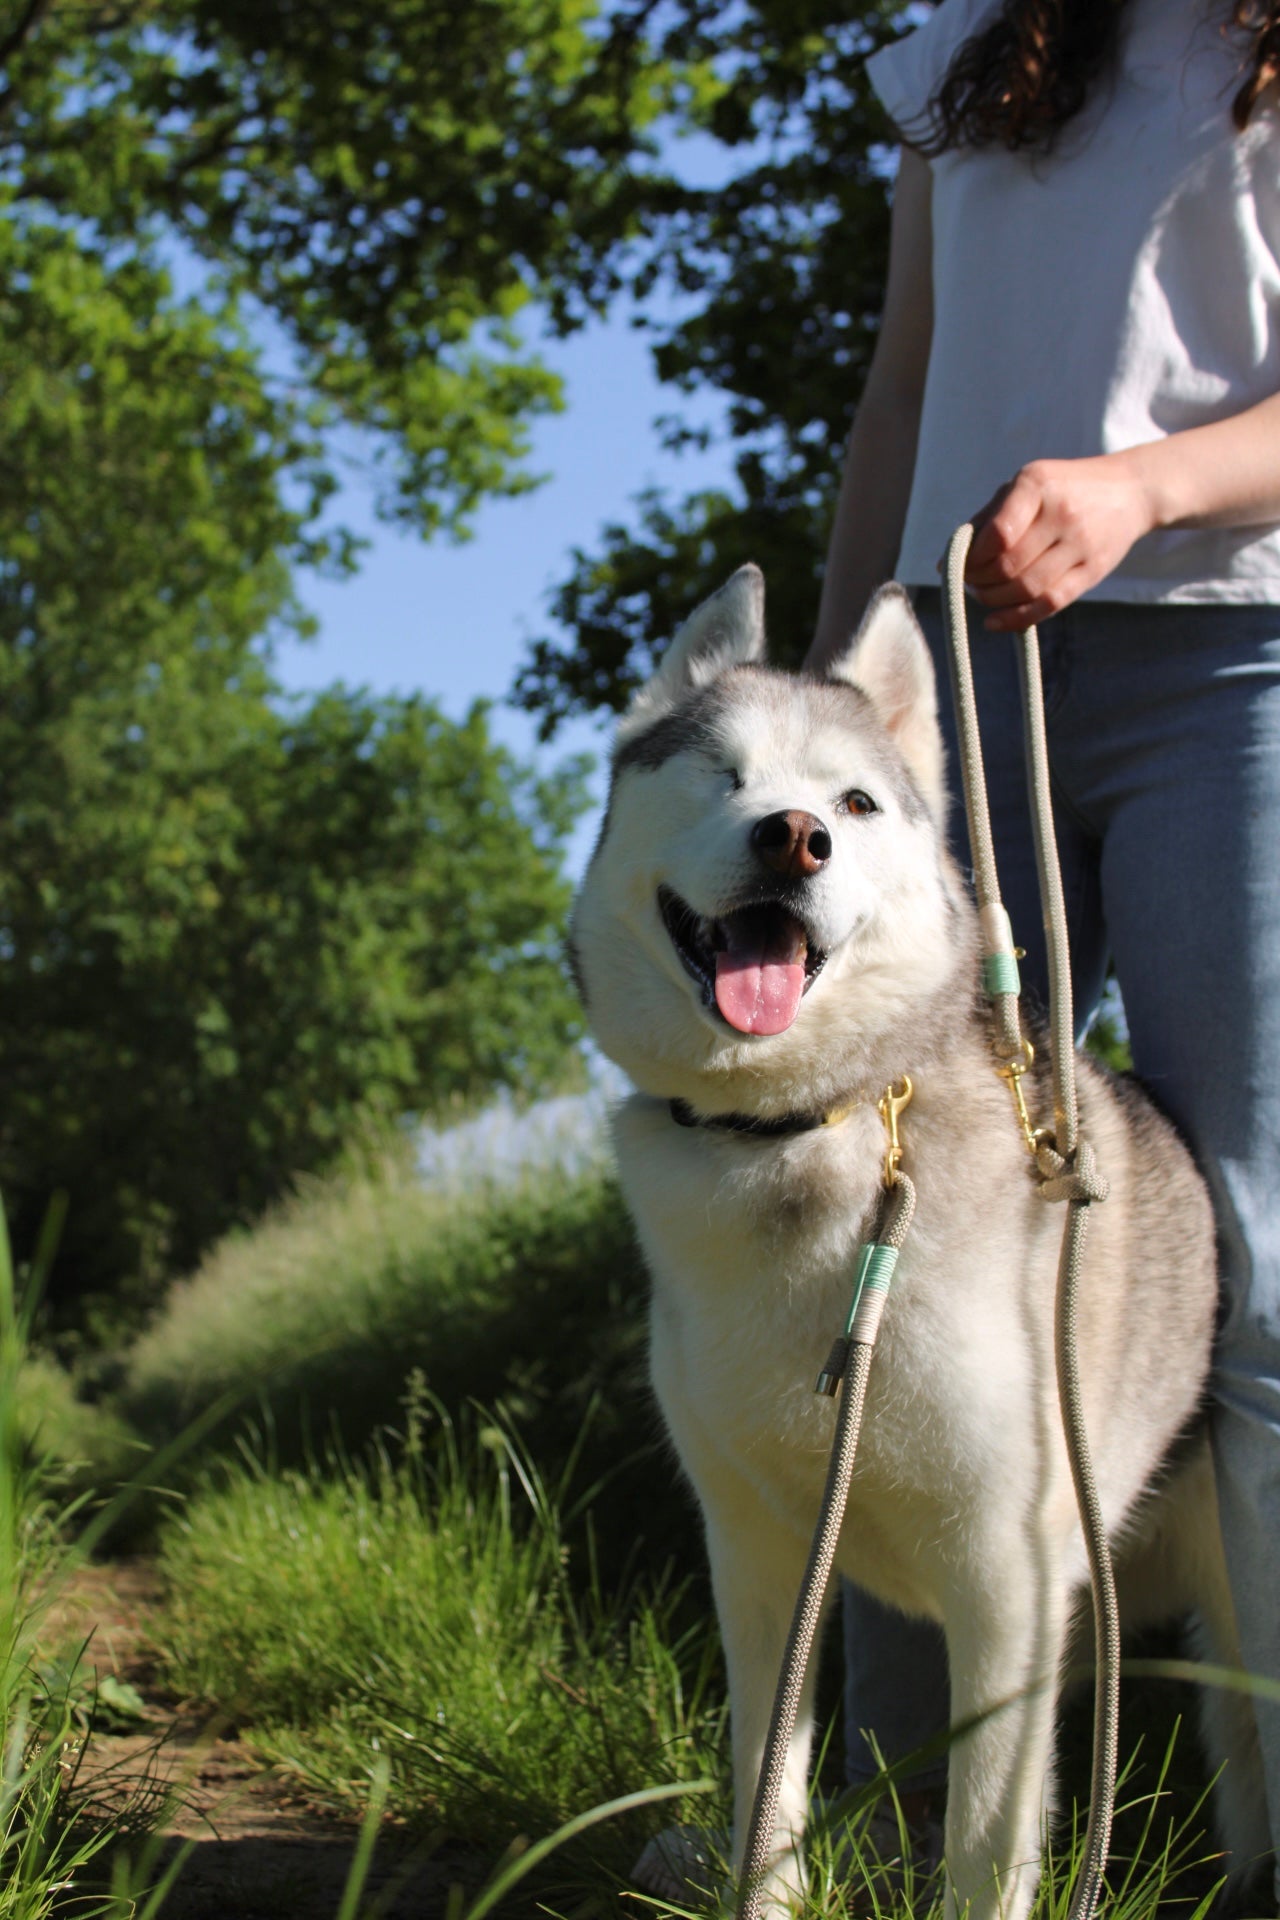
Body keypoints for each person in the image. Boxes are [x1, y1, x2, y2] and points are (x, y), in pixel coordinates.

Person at [805, 0, 1280, 1901]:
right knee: (892, 1220)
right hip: (953, 678)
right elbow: (905, 393)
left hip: (1233, 661)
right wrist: (838, 696)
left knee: (1256, 1249)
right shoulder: (950, 52)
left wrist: (1144, 484)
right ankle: (881, 1827)